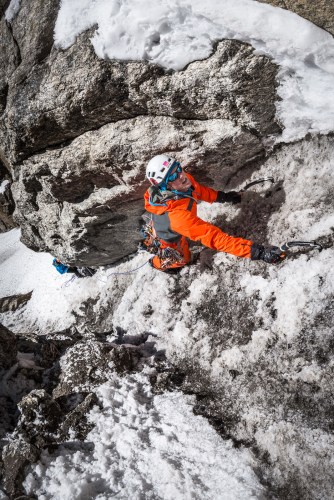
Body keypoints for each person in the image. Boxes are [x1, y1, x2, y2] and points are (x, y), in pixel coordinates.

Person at [143, 154, 284, 273]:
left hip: (169, 225)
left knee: (183, 235)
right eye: (173, 176)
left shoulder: (184, 183)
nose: (181, 175)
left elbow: (201, 191)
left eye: (178, 168)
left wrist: (225, 197)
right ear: (166, 186)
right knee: (182, 259)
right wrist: (259, 252)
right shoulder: (179, 218)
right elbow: (216, 239)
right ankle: (155, 263)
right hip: (168, 239)